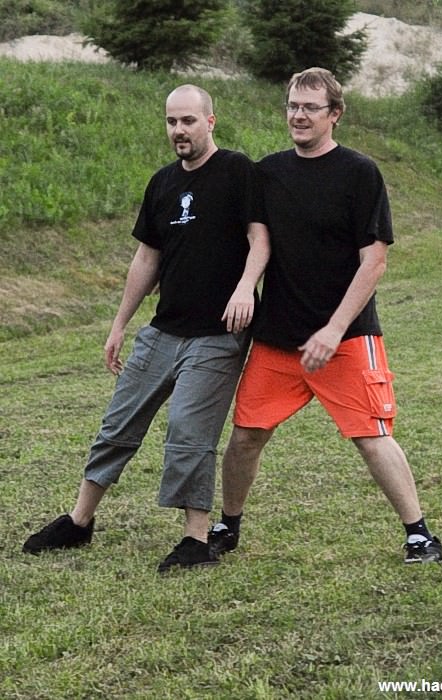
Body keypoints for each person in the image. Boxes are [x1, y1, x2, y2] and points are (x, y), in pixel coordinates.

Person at [22, 84, 270, 573]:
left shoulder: (237, 170)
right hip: (163, 330)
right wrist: (119, 324)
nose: (179, 130)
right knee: (117, 424)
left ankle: (196, 539)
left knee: (189, 431)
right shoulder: (162, 183)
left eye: (188, 120)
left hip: (218, 334)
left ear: (210, 121)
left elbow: (259, 238)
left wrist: (246, 288)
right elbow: (146, 258)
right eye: (172, 121)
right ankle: (79, 521)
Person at [208, 67, 442, 565]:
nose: (299, 115)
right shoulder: (269, 173)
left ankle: (419, 535)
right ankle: (227, 526)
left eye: (310, 108)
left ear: (334, 114)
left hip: (346, 338)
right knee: (246, 436)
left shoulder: (359, 173)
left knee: (372, 437)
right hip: (278, 340)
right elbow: (256, 241)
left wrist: (334, 329)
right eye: (293, 106)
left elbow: (374, 261)